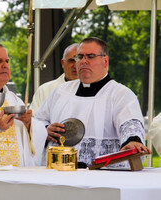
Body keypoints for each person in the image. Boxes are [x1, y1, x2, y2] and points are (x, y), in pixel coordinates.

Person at [35, 37, 151, 167]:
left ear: (105, 61)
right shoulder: (60, 92)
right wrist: (45, 129)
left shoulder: (120, 94)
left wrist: (133, 140)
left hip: (101, 174)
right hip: (59, 171)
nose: (84, 61)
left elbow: (130, 123)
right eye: (80, 56)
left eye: (90, 56)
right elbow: (39, 120)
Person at [30, 43, 79, 113]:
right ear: (63, 63)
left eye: (79, 61)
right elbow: (34, 119)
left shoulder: (96, 91)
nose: (75, 66)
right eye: (71, 61)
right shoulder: (45, 90)